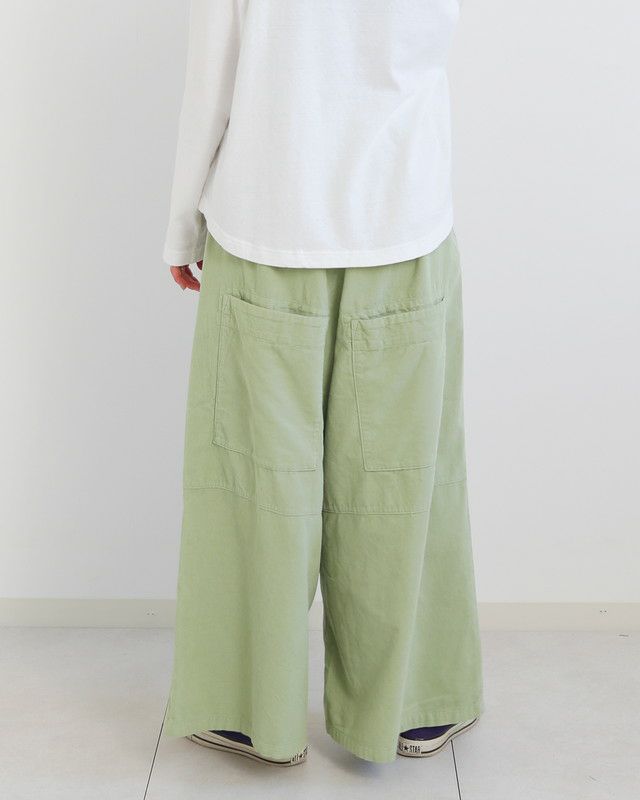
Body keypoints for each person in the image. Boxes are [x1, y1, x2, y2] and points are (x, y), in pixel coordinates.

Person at [162, 0, 483, 766]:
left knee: (256, 483)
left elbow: (213, 74)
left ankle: (249, 713)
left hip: (269, 223)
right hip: (402, 219)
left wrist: (182, 225)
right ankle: (413, 705)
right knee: (404, 479)